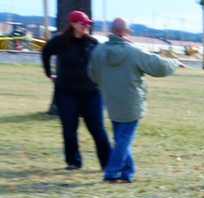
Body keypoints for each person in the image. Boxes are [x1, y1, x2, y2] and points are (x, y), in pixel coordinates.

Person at [87, 18, 183, 184]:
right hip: (131, 102)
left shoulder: (98, 51)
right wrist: (174, 63)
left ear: (111, 30)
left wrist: (107, 85)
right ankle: (111, 172)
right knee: (124, 139)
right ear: (127, 32)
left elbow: (92, 74)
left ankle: (128, 172)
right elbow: (157, 65)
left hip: (111, 101)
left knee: (120, 138)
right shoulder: (133, 51)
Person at [41, 10, 111, 171]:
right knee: (69, 128)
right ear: (72, 23)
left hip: (91, 92)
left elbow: (104, 62)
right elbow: (45, 52)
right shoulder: (60, 42)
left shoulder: (93, 43)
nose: (86, 26)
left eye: (88, 23)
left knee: (97, 128)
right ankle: (73, 161)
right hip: (66, 92)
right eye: (82, 23)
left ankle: (107, 163)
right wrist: (48, 73)